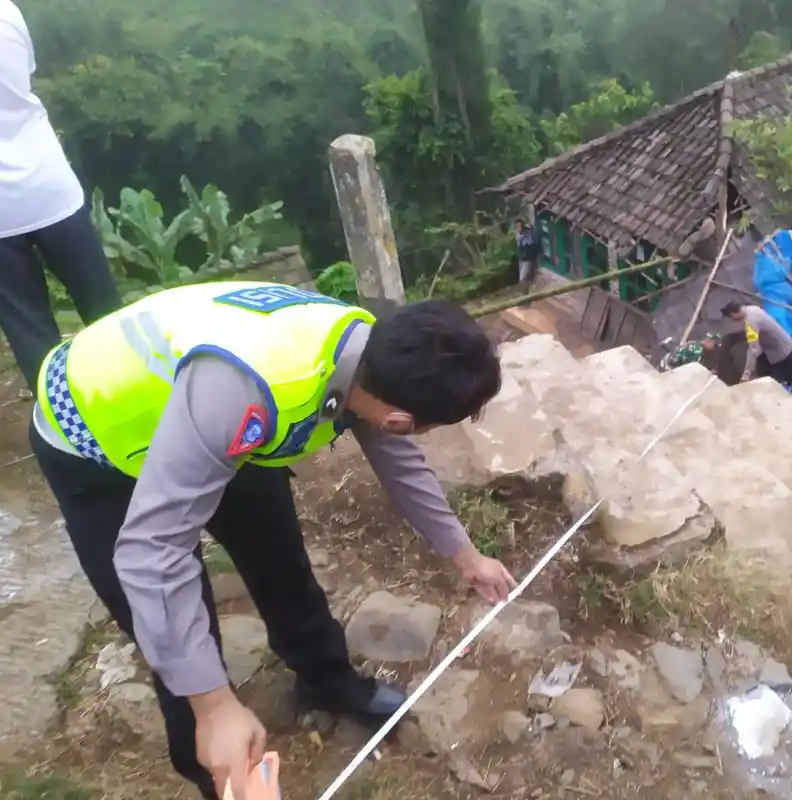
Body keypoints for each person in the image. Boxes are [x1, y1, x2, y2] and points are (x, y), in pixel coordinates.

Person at [28, 282, 517, 800]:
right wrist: (213, 705)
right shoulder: (259, 388)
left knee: (281, 564)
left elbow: (399, 463)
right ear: (399, 418)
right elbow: (152, 556)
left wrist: (465, 555)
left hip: (217, 415)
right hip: (97, 431)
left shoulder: (370, 355)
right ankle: (217, 770)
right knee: (164, 613)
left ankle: (328, 681)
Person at [0, 0, 123, 391]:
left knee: (31, 332)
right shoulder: (7, 13)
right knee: (106, 314)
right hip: (51, 188)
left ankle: (67, 432)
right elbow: (24, 76)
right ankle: (141, 397)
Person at [720, 300, 792, 394]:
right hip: (782, 344)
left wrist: (747, 373)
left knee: (785, 380)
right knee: (763, 366)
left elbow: (753, 349)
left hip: (782, 352)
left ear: (733, 314)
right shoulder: (753, 309)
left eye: (731, 317)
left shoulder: (751, 322)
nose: (732, 320)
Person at [515, 220, 540, 290]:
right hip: (521, 258)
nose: (518, 228)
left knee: (522, 277)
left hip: (527, 258)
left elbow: (531, 245)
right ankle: (526, 290)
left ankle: (524, 293)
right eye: (516, 227)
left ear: (523, 227)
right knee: (523, 276)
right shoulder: (518, 235)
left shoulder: (528, 235)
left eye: (519, 226)